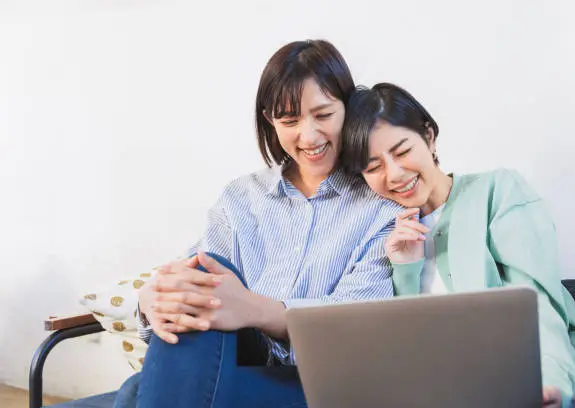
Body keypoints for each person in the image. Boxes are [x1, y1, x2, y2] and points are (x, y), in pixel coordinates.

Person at [119, 40, 402, 408]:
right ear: (270, 121)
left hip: (322, 387)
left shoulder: (381, 203)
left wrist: (251, 308)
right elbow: (193, 281)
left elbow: (353, 326)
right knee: (204, 283)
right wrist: (151, 300)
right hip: (231, 372)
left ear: (347, 108)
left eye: (323, 114)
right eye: (290, 121)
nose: (309, 136)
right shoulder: (241, 198)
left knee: (133, 393)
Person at [340, 83, 575, 408]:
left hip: (539, 384)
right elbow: (412, 351)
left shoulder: (498, 191)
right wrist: (405, 270)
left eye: (402, 151)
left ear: (429, 136)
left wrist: (549, 386)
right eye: (373, 167)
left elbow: (538, 307)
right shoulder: (386, 237)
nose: (393, 174)